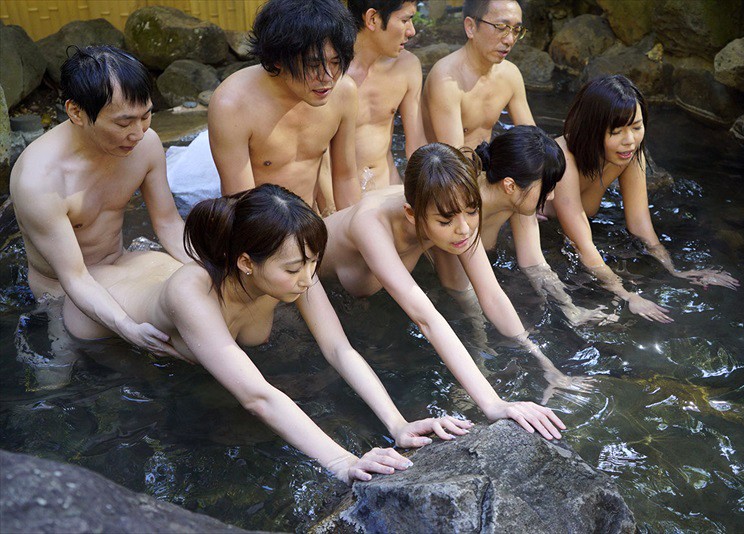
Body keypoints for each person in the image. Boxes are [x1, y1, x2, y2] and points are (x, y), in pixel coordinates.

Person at [62, 184, 471, 483]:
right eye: (293, 268)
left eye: (313, 262)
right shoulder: (191, 293)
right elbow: (257, 396)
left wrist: (397, 424)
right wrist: (344, 462)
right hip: (100, 318)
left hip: (148, 269)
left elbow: (338, 348)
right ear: (246, 263)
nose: (307, 278)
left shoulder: (296, 272)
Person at [321, 143, 593, 437]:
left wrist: (546, 365)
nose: (463, 228)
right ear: (411, 214)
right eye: (446, 221)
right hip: (309, 292)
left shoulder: (451, 206)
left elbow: (491, 294)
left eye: (472, 211)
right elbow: (426, 318)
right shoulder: (371, 224)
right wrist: (493, 404)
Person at [10, 45, 191, 359]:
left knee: (195, 299)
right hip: (63, 292)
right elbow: (75, 277)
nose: (138, 133)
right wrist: (127, 328)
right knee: (58, 374)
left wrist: (214, 270)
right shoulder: (40, 180)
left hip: (120, 263)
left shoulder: (146, 145)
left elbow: (169, 224)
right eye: (123, 123)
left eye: (146, 115)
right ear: (76, 112)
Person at [543, 75, 739, 323]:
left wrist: (675, 271)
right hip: (538, 232)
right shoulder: (563, 160)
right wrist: (627, 295)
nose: (630, 140)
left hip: (568, 234)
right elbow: (582, 244)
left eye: (636, 127)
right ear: (590, 129)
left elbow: (639, 224)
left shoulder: (628, 154)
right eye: (616, 131)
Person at [168, 0, 361, 213]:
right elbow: (240, 203)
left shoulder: (344, 92)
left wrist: (354, 227)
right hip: (262, 225)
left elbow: (346, 178)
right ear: (278, 59)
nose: (327, 77)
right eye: (313, 65)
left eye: (336, 62)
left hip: (311, 219)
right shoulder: (233, 104)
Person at [434, 125, 611, 326]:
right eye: (547, 188)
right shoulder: (460, 214)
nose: (551, 196)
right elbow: (461, 289)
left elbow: (534, 263)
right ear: (510, 185)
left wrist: (571, 309)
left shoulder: (517, 199)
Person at [422, 0, 534, 150]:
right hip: (446, 164)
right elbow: (452, 158)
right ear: (471, 27)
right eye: (501, 27)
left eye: (516, 30)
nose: (510, 40)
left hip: (484, 162)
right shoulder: (446, 78)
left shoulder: (510, 74)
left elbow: (533, 140)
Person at [346, 0, 427, 191]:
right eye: (405, 20)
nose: (412, 31)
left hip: (389, 189)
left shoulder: (407, 66)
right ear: (372, 19)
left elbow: (416, 145)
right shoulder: (328, 74)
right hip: (343, 197)